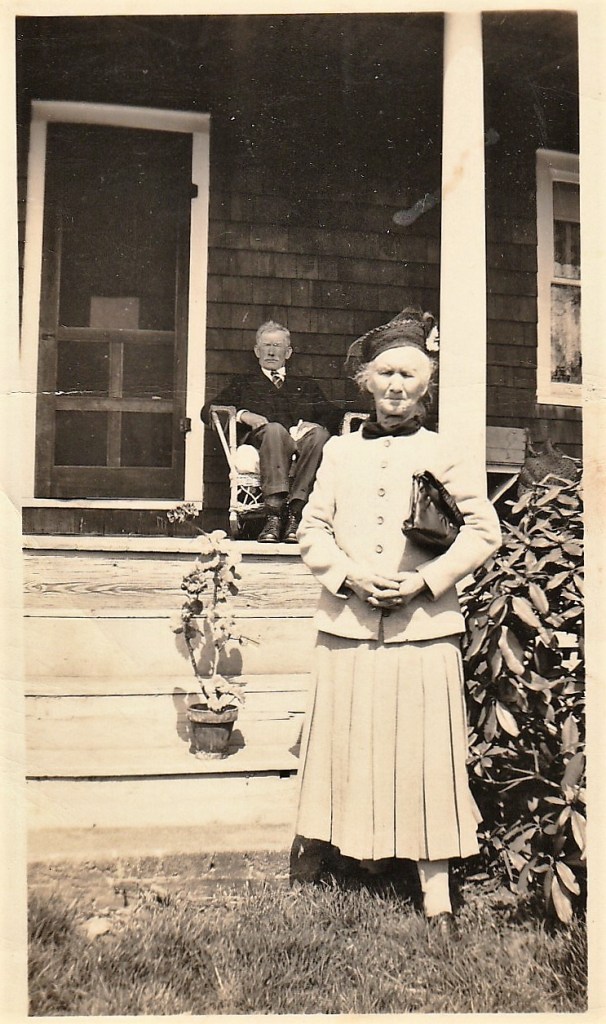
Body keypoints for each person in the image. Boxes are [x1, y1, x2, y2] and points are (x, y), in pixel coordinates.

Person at [293, 307, 502, 930]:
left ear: (425, 385)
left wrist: (423, 582)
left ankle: (436, 895)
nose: (396, 386)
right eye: (385, 373)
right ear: (367, 381)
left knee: (425, 753)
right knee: (349, 741)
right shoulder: (337, 452)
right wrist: (349, 576)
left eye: (409, 374)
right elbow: (312, 527)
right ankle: (345, 861)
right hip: (349, 625)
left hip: (423, 628)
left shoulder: (446, 452)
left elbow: (484, 531)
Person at [201, 321, 341, 543]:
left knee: (320, 435)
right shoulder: (244, 383)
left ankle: (295, 514)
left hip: (298, 442)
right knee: (274, 430)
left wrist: (315, 425)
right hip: (264, 441)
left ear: (288, 352)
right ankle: (274, 514)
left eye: (277, 345)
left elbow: (333, 414)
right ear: (257, 351)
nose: (271, 351)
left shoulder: (304, 385)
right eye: (266, 345)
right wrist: (244, 415)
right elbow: (208, 410)